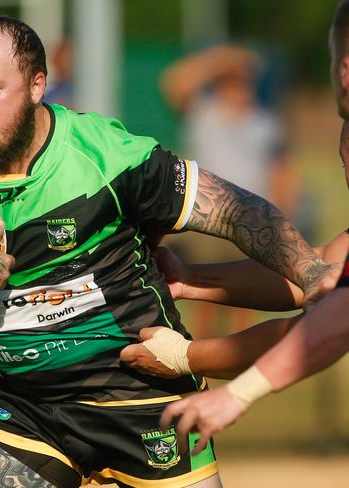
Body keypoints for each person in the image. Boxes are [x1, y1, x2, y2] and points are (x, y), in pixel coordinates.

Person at [0, 16, 336, 488]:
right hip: (25, 405)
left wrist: (311, 273)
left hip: (138, 391)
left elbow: (235, 210)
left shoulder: (105, 156)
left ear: (36, 87)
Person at [121, 0, 349, 456]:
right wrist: (192, 281)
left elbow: (337, 314)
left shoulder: (271, 124)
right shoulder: (209, 112)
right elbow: (330, 268)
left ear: (345, 68)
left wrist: (201, 367)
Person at [160, 44, 302, 338]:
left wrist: (284, 212)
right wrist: (221, 60)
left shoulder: (264, 122)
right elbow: (174, 82)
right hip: (207, 219)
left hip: (252, 219)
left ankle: (236, 358)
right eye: (232, 79)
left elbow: (281, 169)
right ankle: (204, 355)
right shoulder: (204, 113)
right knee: (203, 297)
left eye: (242, 79)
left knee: (246, 299)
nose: (238, 85)